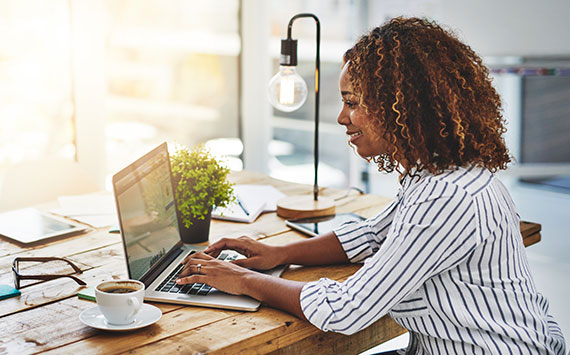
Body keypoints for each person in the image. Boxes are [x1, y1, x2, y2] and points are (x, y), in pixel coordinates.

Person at [176, 17, 566, 354]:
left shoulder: (447, 196)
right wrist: (279, 254)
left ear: (402, 105)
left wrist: (242, 280)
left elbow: (347, 309)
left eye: (352, 101)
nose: (342, 117)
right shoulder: (440, 173)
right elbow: (371, 236)